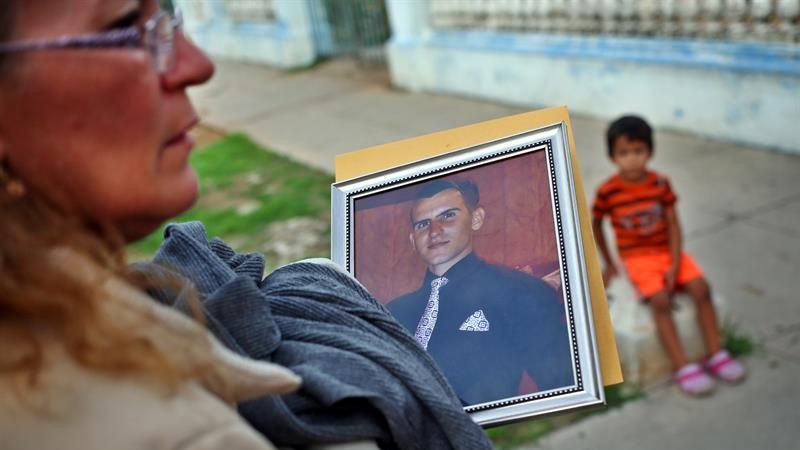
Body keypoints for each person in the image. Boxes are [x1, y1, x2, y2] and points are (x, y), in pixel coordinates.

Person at [0, 1, 492, 449]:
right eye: (126, 25)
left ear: (479, 219)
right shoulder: (178, 433)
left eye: (166, 19)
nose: (196, 64)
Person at [591, 115, 746, 396]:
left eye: (638, 151)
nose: (632, 159)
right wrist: (610, 263)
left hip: (666, 251)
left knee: (701, 289)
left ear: (650, 151)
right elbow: (596, 224)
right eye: (624, 153)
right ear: (612, 156)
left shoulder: (660, 184)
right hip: (637, 258)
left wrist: (675, 263)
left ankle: (716, 353)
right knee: (660, 300)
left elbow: (674, 224)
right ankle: (682, 365)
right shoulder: (607, 191)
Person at [387, 179, 574, 406]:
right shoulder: (392, 315)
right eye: (423, 224)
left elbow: (566, 390)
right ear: (412, 240)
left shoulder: (521, 291)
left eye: (448, 216)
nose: (434, 231)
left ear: (476, 219)